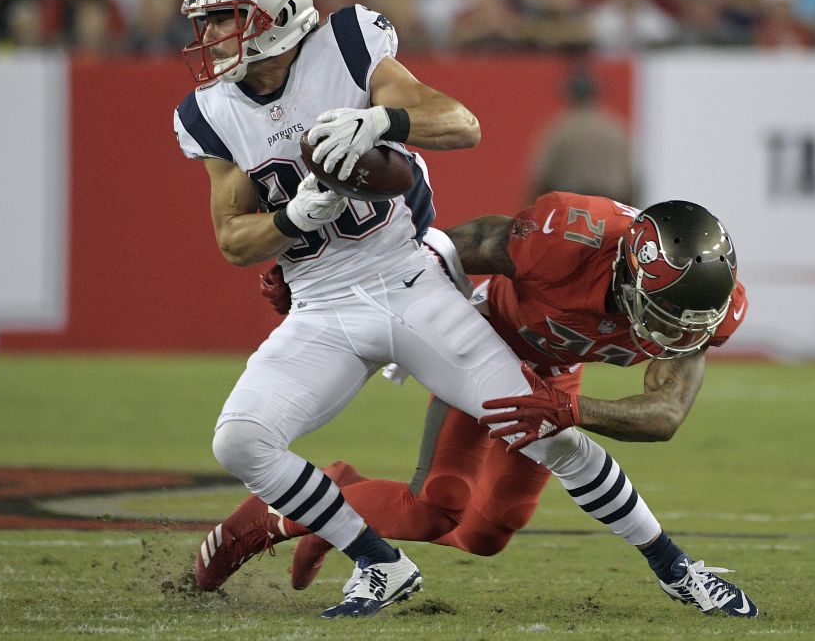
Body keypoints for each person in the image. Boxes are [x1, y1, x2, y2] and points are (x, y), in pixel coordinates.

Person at [203, 191, 759, 618]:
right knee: (438, 505)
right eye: (658, 313)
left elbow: (664, 414)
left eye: (687, 325)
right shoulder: (568, 236)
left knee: (487, 536)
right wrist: (334, 291)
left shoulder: (700, 305)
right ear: (628, 271)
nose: (671, 335)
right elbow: (438, 249)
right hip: (481, 342)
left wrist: (571, 409)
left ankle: (337, 498)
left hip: (554, 375)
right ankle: (285, 516)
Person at [526, 69, 636, 205]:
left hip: (573, 207)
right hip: (612, 206)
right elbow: (630, 179)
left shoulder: (561, 129)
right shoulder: (614, 127)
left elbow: (540, 177)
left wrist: (530, 209)